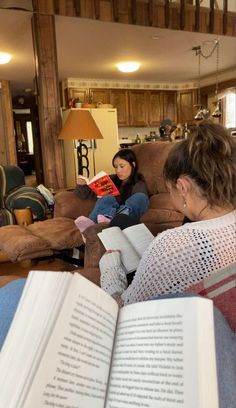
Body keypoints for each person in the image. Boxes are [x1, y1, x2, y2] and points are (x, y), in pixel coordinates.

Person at [99, 120, 236, 306]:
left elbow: (123, 308)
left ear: (182, 187)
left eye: (170, 188)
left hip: (170, 321)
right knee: (123, 221)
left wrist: (110, 268)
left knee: (118, 236)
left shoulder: (172, 246)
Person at [74, 148, 149, 236]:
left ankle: (110, 218)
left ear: (133, 164)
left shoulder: (138, 182)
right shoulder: (111, 179)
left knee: (140, 197)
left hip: (123, 215)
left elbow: (138, 204)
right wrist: (81, 185)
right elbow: (85, 194)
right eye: (116, 167)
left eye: (122, 166)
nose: (118, 171)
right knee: (107, 197)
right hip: (106, 214)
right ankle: (90, 226)